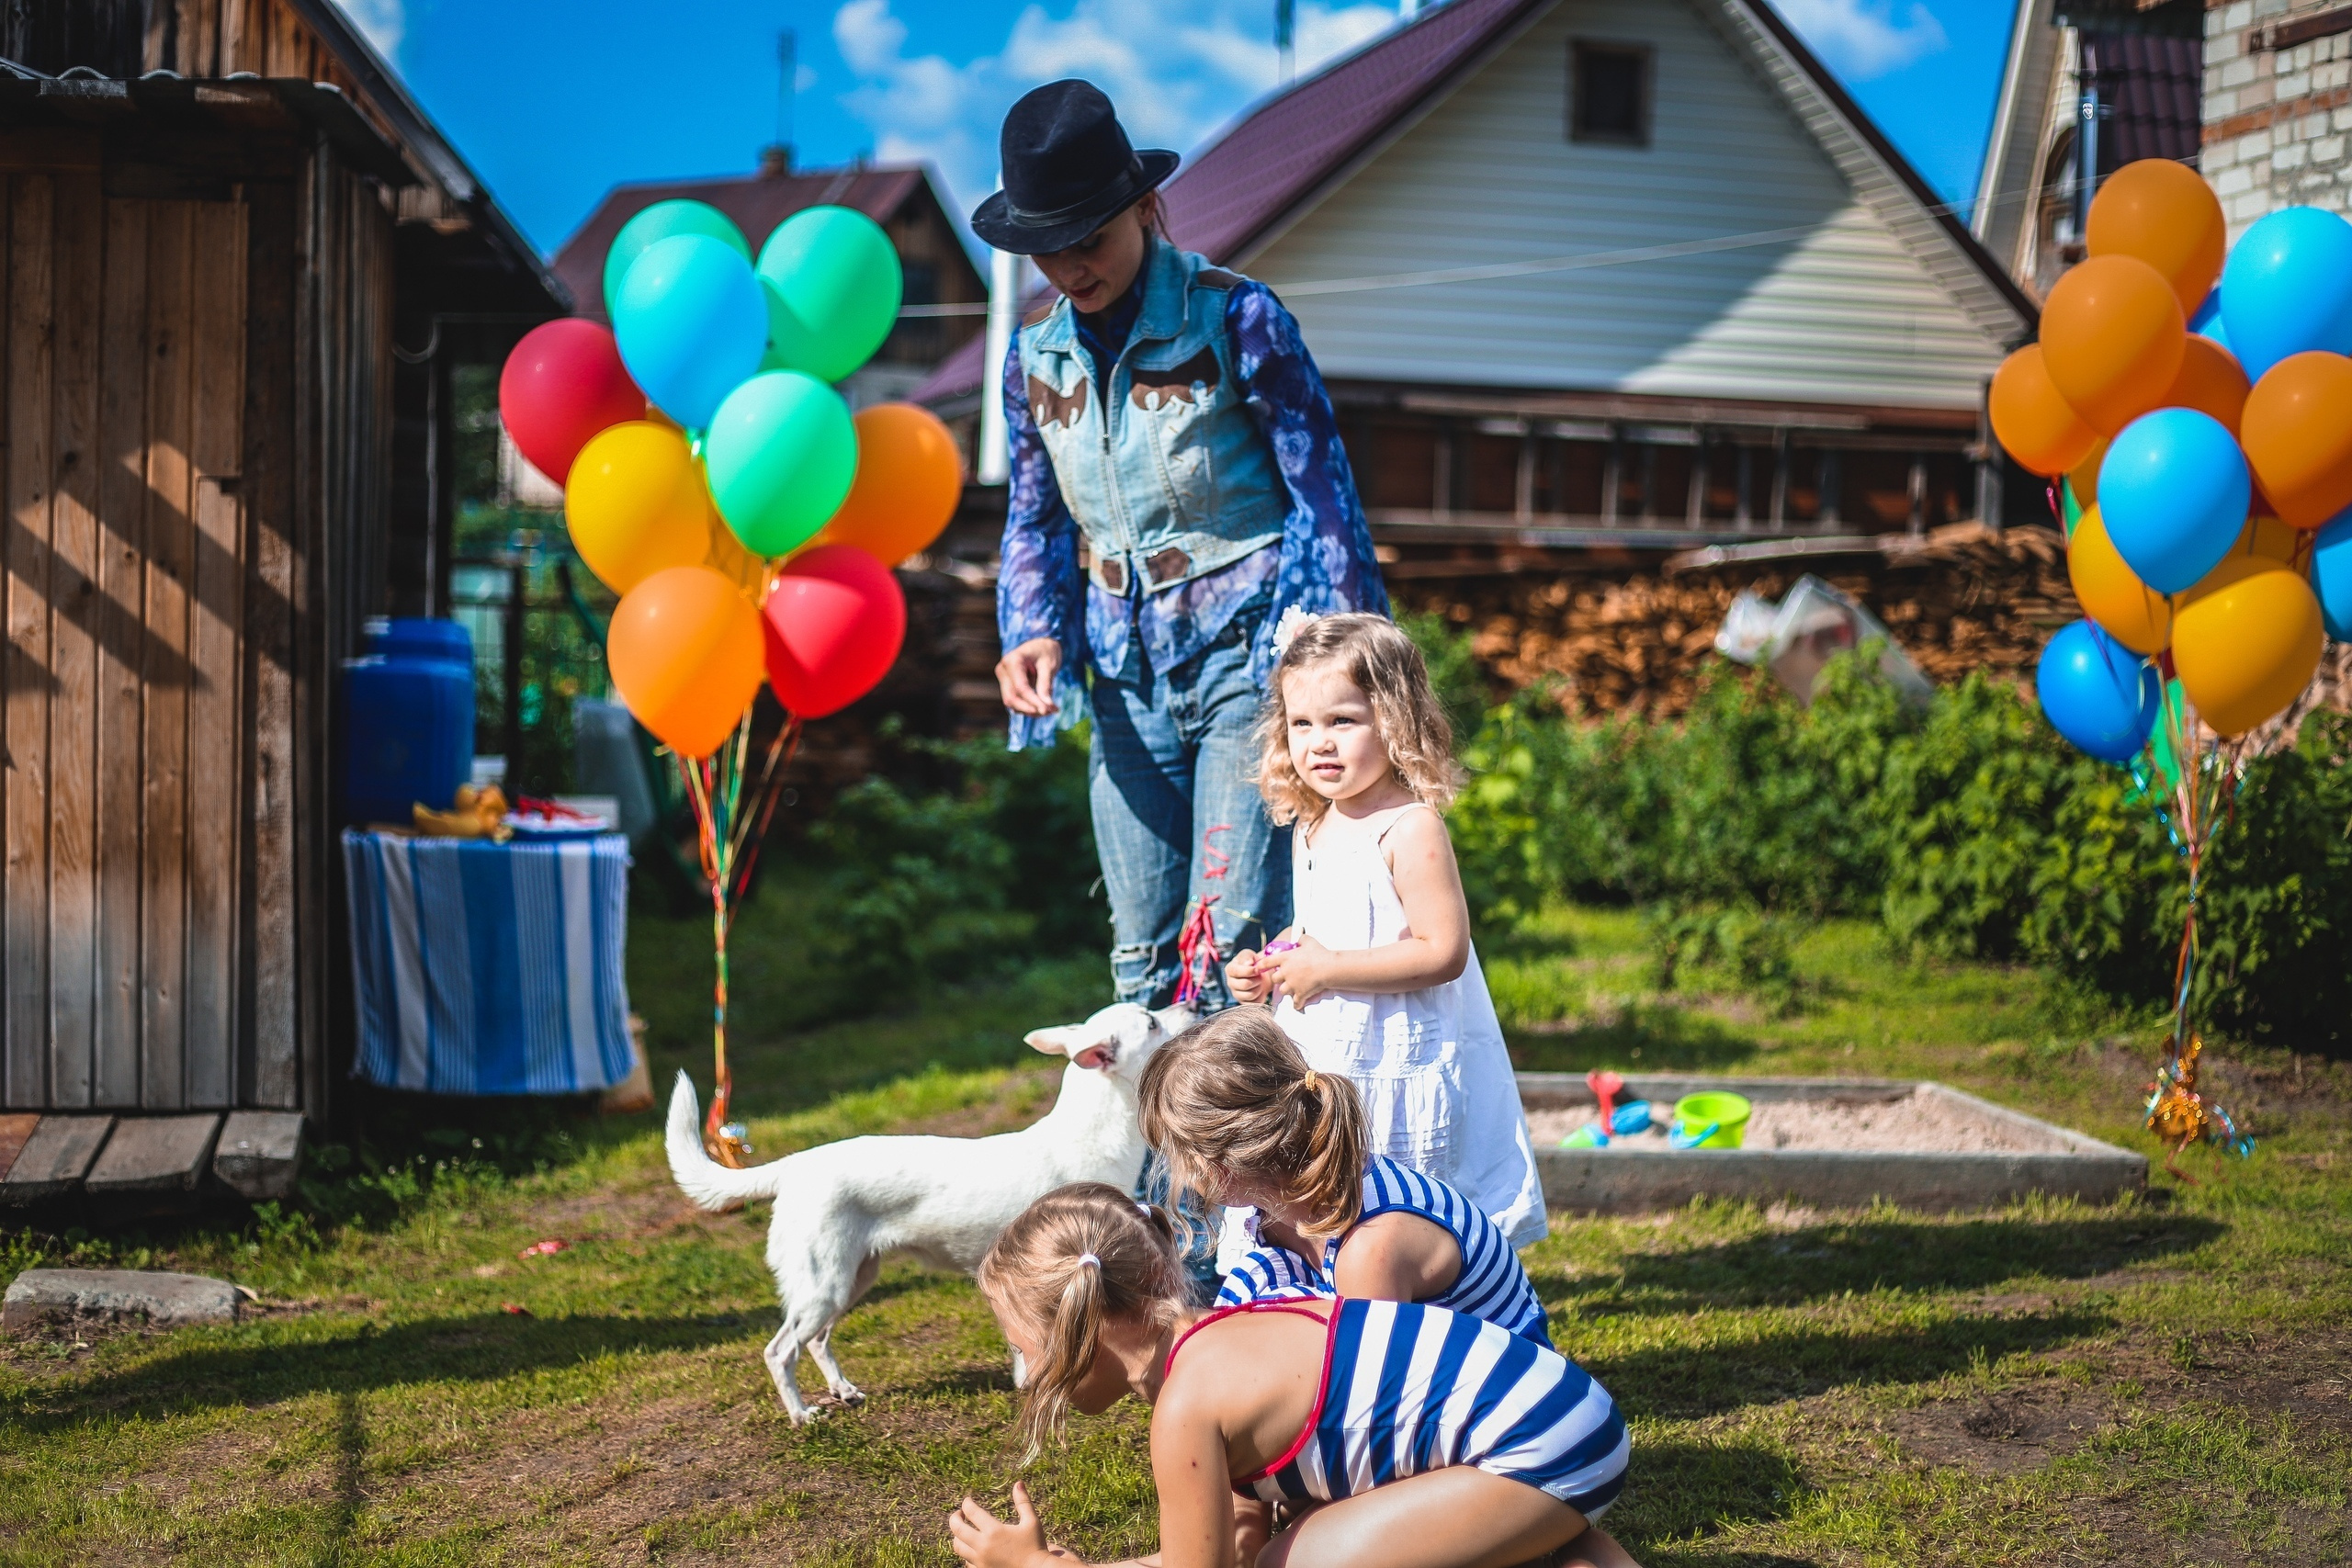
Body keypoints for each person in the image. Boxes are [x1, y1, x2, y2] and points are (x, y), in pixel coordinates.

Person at [978, 79, 1387, 1015]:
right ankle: (1154, 1167)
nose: (1072, 267)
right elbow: (1035, 519)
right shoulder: (1029, 361)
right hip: (1122, 681)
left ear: (1143, 208)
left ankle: (1224, 1167)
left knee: (1230, 946)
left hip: (1250, 666)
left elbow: (1324, 500)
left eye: (1091, 238)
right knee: (1140, 957)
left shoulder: (1239, 320)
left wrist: (1331, 680)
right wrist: (1031, 629)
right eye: (1049, 249)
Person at [946, 1183, 1637, 1568]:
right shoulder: (1221, 1341)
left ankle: (1547, 1525)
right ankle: (1551, 1535)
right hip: (1564, 1415)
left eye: (1025, 1349)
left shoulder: (1185, 1407)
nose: (1025, 1375)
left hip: (1538, 1446)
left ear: (1082, 1328)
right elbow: (1228, 1545)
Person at [1224, 612, 1544, 1253]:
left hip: (1392, 1046)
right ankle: (1319, 1280)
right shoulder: (1311, 823)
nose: (1319, 742)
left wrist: (1329, 967)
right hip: (1327, 1045)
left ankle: (1404, 1274)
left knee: (1387, 1179)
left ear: (1393, 720)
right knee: (1318, 1166)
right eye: (1302, 723)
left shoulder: (1409, 828)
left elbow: (1441, 950)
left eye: (1343, 721)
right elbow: (1317, 924)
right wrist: (1268, 963)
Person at [1139, 1006, 1553, 1348]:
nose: (1175, 1170)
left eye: (1175, 1153)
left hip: (1504, 1400)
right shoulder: (1284, 1204)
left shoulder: (1370, 1247)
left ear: (1220, 1164)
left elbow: (1374, 1395)